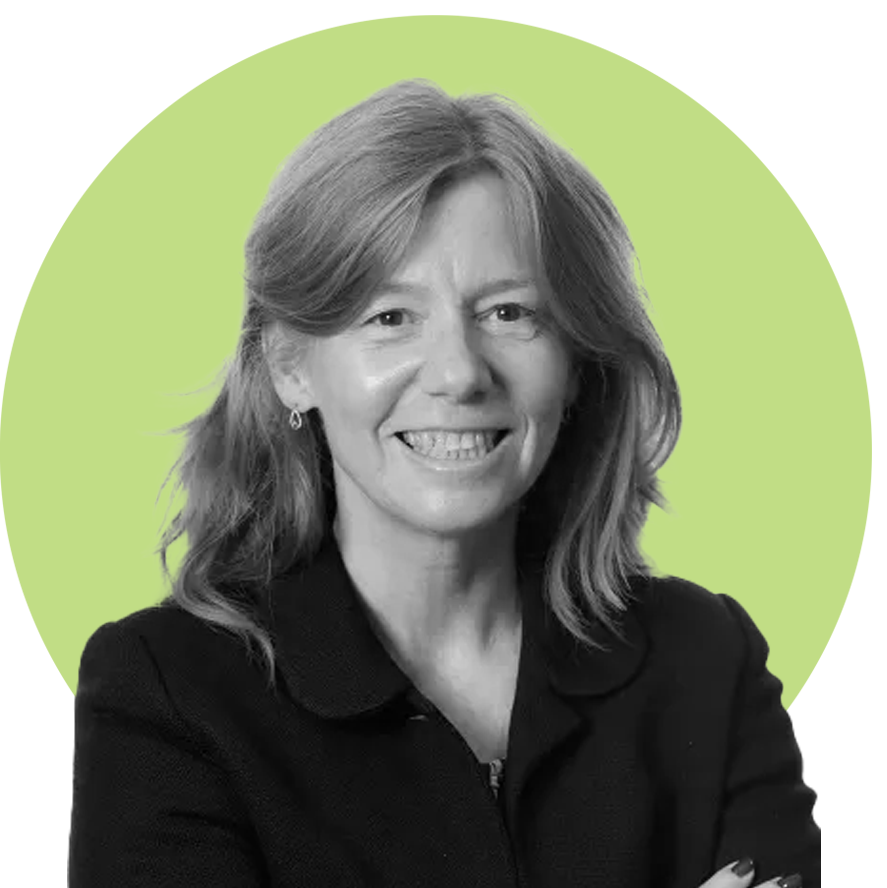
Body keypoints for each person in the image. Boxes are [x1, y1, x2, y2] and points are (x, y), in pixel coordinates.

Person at [68, 80, 819, 888]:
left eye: (509, 313)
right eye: (389, 317)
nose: (459, 373)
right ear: (290, 367)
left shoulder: (706, 659)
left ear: (576, 363)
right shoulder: (168, 692)